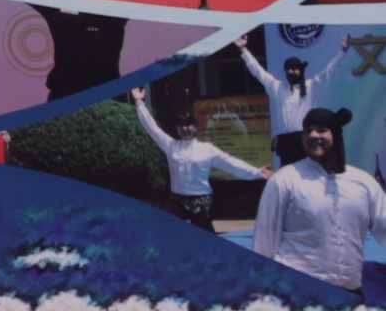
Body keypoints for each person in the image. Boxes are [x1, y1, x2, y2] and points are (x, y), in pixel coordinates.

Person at [248, 109, 379, 291]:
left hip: (350, 290)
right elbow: (265, 239)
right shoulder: (284, 180)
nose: (313, 135)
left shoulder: (363, 182)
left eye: (321, 130)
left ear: (335, 134)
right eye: (308, 131)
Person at [127, 80, 243, 229]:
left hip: (201, 200)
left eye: (189, 125)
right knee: (165, 227)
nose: (185, 129)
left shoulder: (206, 149)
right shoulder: (171, 146)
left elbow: (231, 163)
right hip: (177, 201)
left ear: (195, 127)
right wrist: (139, 103)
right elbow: (152, 128)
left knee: (204, 236)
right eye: (182, 126)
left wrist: (257, 172)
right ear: (177, 128)